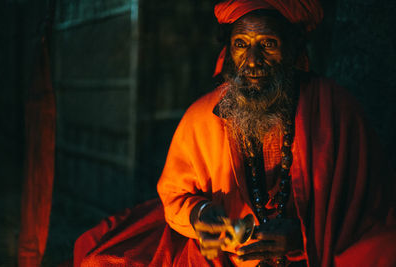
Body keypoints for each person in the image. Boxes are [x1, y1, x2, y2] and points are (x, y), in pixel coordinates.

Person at [72, 1, 396, 266]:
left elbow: (367, 211)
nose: (253, 61)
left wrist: (305, 236)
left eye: (268, 44)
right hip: (220, 256)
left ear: (294, 49)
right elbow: (174, 194)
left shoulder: (336, 109)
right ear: (228, 51)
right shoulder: (203, 114)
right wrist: (202, 215)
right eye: (241, 45)